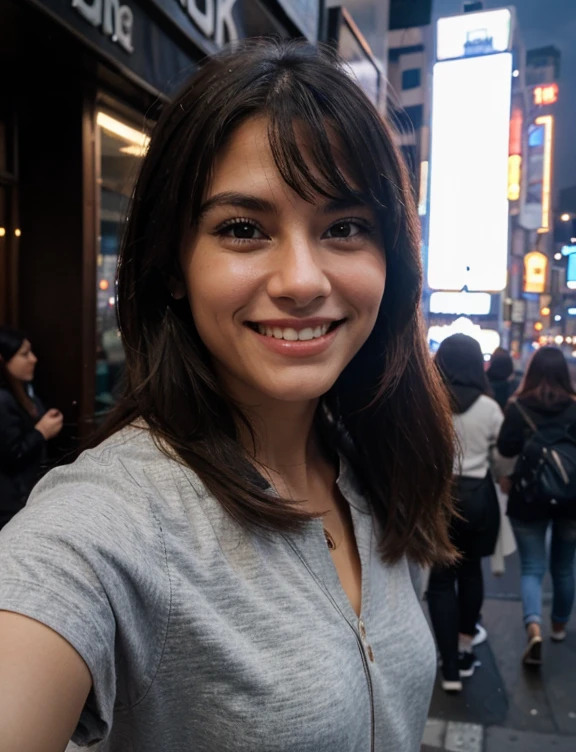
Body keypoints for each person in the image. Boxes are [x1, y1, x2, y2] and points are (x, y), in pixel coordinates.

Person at [0, 41, 457, 752]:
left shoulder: (375, 464)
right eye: (244, 229)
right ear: (174, 266)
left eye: (344, 227)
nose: (303, 280)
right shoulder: (109, 522)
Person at [427, 334, 503, 693]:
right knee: (471, 572)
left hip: (439, 497)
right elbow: (502, 458)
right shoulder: (490, 408)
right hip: (478, 498)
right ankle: (466, 649)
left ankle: (449, 669)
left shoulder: (429, 401)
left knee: (441, 581)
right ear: (478, 364)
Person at [497, 346, 576, 666]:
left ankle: (534, 627)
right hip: (572, 499)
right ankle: (559, 625)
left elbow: (505, 447)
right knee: (565, 565)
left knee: (531, 567)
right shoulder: (574, 407)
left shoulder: (518, 406)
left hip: (528, 495)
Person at [0, 326, 63, 529]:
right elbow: (10, 454)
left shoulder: (23, 391)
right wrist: (42, 432)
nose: (33, 359)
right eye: (24, 354)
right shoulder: (2, 399)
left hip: (25, 494)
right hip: (9, 504)